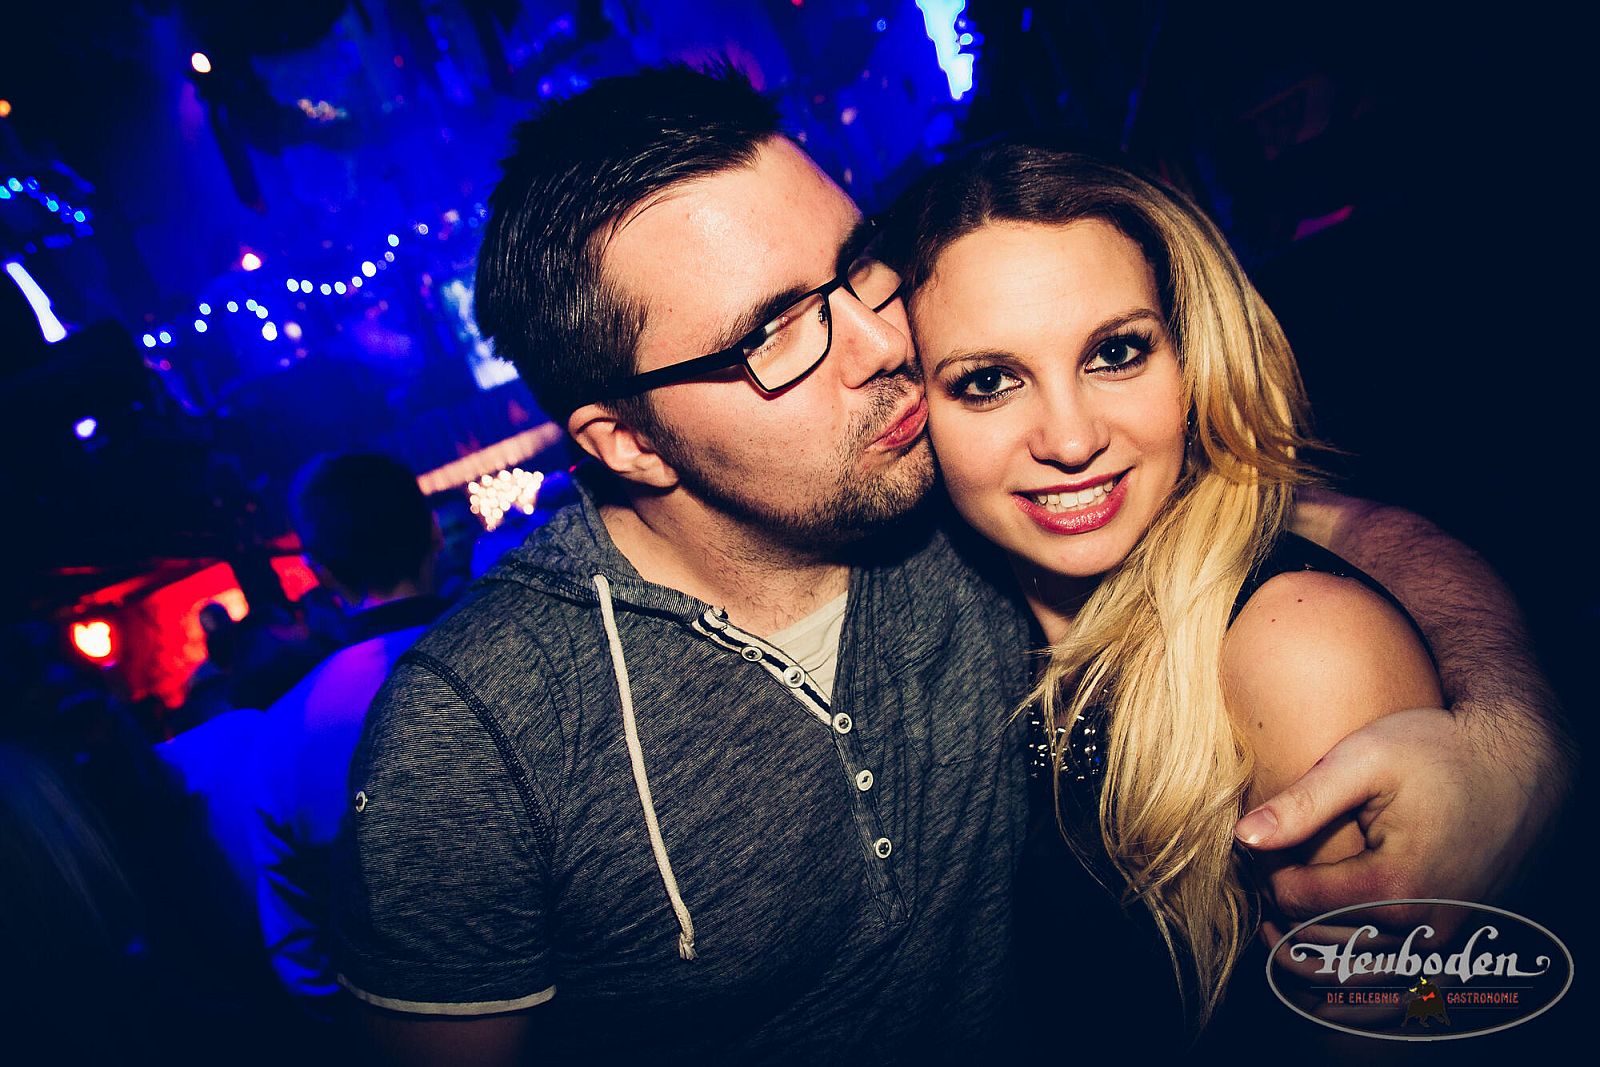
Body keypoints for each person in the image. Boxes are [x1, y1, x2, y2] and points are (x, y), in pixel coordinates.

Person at [332, 64, 1569, 1063]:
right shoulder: (479, 732)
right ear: (626, 441)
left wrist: (1514, 728)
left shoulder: (942, 486)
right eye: (774, 330)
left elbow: (1302, 518)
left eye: (854, 267)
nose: (880, 344)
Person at [898, 143, 1454, 1030]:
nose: (1071, 439)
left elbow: (1423, 1024)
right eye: (989, 381)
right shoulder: (962, 626)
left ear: (1190, 363)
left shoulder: (1298, 652)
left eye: (1116, 352)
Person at [251, 453, 449, 1017]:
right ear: (434, 530)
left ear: (320, 572)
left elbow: (300, 957)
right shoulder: (533, 650)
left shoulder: (283, 732)